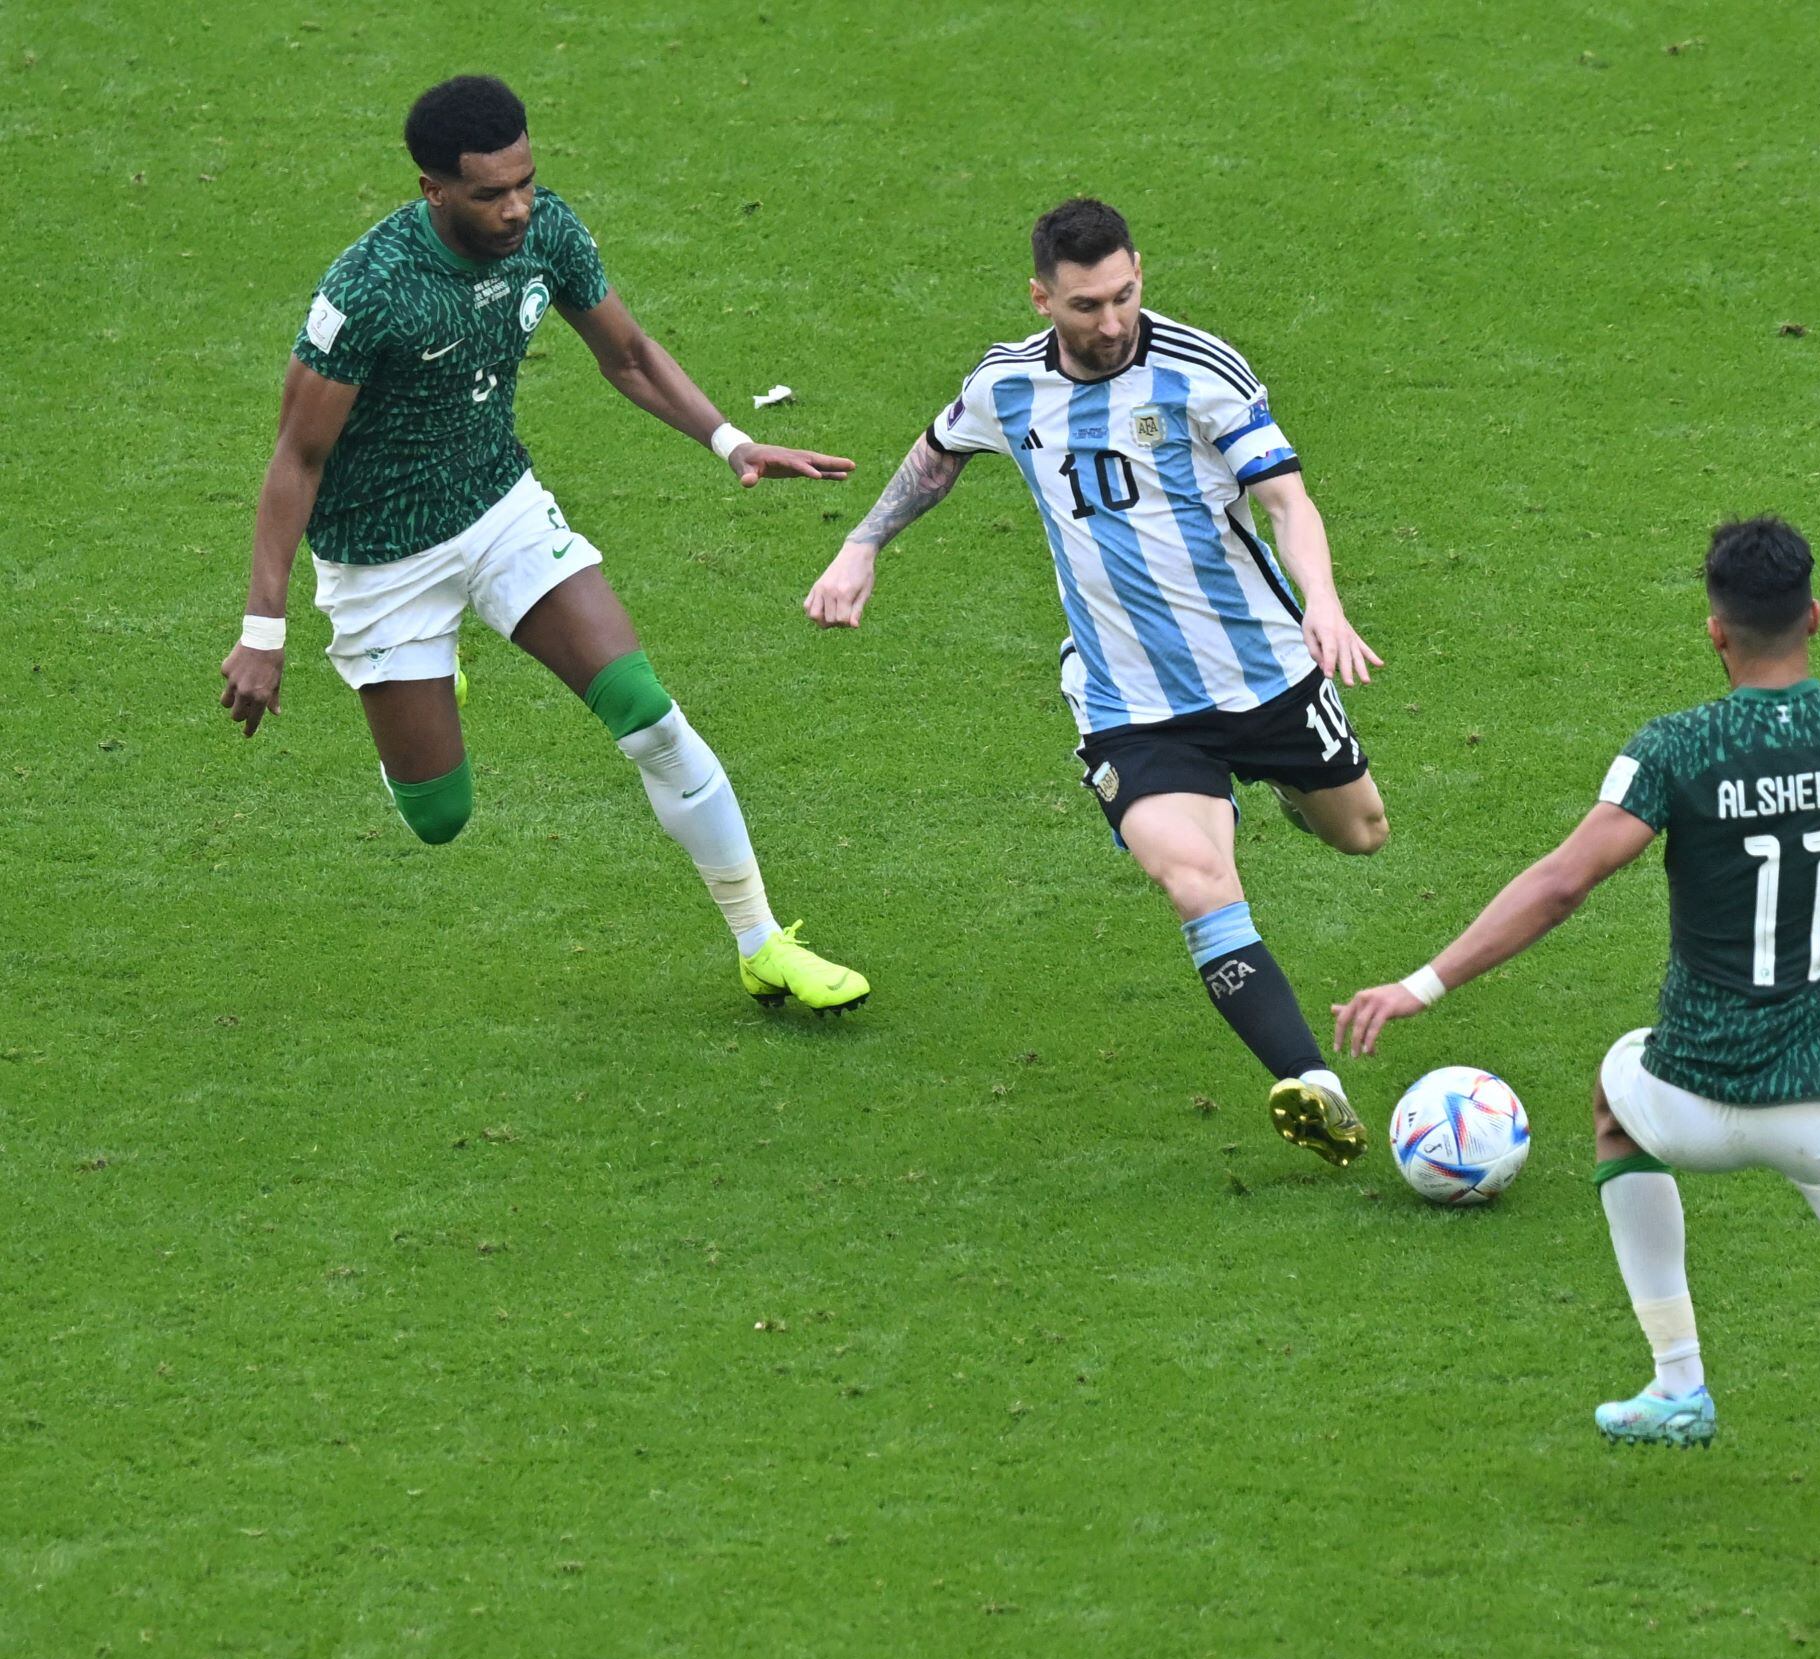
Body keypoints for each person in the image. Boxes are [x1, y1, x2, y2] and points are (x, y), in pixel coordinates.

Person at [1333, 492, 1820, 1602]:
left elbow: (1562, 880)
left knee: (1611, 1094)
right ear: (1816, 616)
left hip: (1689, 1091)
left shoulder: (1677, 750)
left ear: (1716, 632)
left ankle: (1678, 1381)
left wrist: (1423, 981)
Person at [217, 75, 868, 1013]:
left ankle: (760, 941)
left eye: (526, 180)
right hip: (382, 561)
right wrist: (263, 632)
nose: (518, 206)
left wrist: (731, 441)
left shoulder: (547, 232)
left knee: (648, 714)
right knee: (440, 819)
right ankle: (420, 677)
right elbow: (297, 458)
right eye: (490, 193)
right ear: (433, 189)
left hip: (500, 511)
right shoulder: (370, 290)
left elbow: (629, 355)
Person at [804, 198, 1385, 1163]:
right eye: (1084, 306)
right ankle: (1311, 1082)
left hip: (1267, 673)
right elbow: (938, 455)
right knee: (1197, 881)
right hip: (1130, 701)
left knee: (1360, 835)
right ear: (1042, 298)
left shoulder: (1201, 371)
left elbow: (1287, 499)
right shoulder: (1007, 385)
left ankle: (1280, 784)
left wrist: (1322, 602)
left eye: (1123, 296)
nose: (1109, 323)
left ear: (1140, 275)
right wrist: (861, 546)